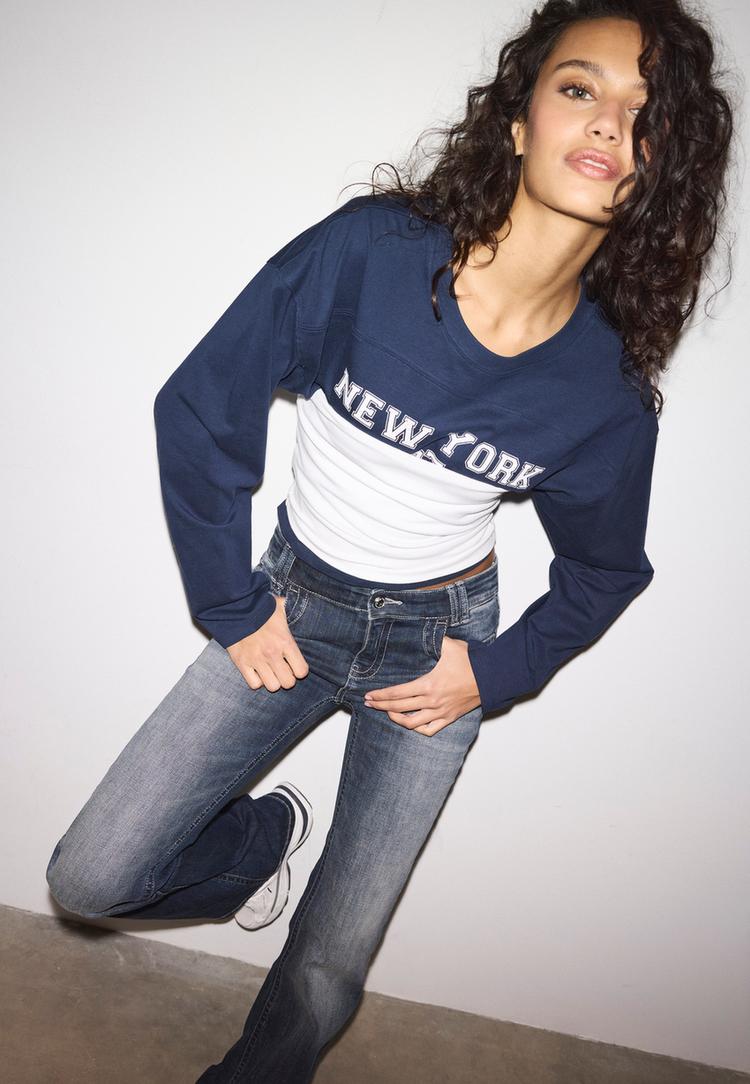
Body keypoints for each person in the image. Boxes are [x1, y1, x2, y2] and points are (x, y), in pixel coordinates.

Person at [44, 0, 735, 1080]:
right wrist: (232, 605)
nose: (611, 122)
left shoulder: (601, 394)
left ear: (659, 170)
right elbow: (204, 408)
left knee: (331, 961)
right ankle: (262, 839)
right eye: (580, 88)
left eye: (647, 115)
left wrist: (496, 671)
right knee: (90, 876)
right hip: (291, 606)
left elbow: (607, 569)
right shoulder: (373, 253)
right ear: (519, 121)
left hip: (437, 647)